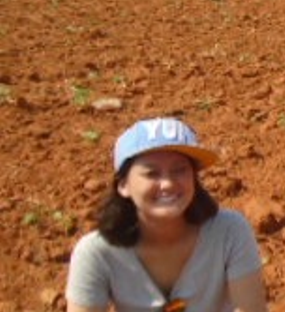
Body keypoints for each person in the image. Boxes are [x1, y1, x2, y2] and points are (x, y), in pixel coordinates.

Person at [66, 117, 268, 312]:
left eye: (179, 170)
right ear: (123, 185)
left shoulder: (229, 232)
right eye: (151, 173)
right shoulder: (96, 253)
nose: (168, 184)